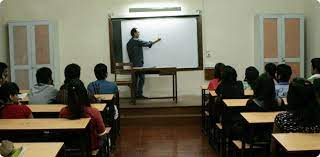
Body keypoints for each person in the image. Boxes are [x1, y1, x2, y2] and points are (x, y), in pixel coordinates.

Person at [59, 79, 108, 153]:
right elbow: (102, 135)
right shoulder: (93, 112)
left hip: (69, 149)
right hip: (91, 148)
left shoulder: (63, 112)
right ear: (85, 94)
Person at [126, 28, 161, 98]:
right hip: (138, 64)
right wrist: (157, 40)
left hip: (132, 64)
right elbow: (148, 44)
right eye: (138, 32)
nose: (139, 33)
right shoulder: (137, 41)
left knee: (135, 80)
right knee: (142, 78)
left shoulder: (128, 43)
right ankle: (139, 94)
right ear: (134, 33)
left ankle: (134, 95)